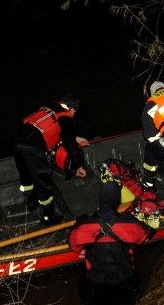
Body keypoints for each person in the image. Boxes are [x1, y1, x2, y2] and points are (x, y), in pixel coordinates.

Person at [68, 181, 153, 305]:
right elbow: (145, 234)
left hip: (96, 281)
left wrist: (82, 250)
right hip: (124, 279)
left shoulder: (84, 225)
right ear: (117, 201)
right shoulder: (130, 224)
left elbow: (72, 242)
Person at [13, 96, 89, 224]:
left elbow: (54, 128)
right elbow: (69, 144)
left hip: (18, 140)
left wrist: (75, 137)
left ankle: (31, 203)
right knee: (44, 182)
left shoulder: (50, 106)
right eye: (75, 112)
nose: (74, 114)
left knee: (26, 175)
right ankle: (48, 216)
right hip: (33, 148)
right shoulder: (67, 117)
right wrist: (78, 166)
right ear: (71, 110)